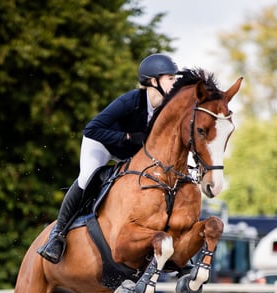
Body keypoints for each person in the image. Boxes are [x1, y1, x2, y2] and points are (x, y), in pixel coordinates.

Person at [37, 53, 180, 264]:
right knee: (86, 178)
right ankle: (57, 235)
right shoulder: (131, 101)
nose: (175, 83)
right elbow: (92, 128)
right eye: (171, 78)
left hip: (128, 153)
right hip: (101, 144)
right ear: (153, 81)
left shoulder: (165, 109)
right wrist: (127, 137)